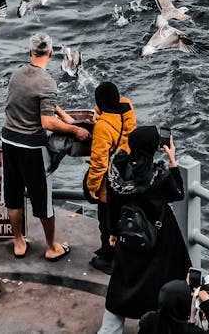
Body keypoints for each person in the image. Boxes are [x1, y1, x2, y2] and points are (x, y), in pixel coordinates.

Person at [1, 30, 91, 260]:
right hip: (32, 147)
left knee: (13, 194)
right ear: (51, 53)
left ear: (30, 51)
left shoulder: (16, 74)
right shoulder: (47, 82)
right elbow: (47, 122)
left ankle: (19, 243)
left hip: (8, 140)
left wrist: (58, 108)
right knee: (43, 200)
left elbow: (28, 101)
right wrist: (75, 129)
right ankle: (52, 247)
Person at [96, 125, 191, 334]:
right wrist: (173, 160)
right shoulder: (158, 176)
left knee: (121, 283)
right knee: (159, 283)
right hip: (159, 239)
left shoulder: (117, 172)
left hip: (127, 236)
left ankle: (109, 330)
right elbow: (178, 193)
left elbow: (111, 204)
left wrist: (112, 231)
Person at [85, 81, 136, 273]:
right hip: (126, 176)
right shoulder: (127, 109)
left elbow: (99, 163)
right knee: (121, 219)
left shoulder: (103, 128)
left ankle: (108, 259)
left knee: (106, 223)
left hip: (109, 184)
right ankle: (121, 254)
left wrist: (92, 186)